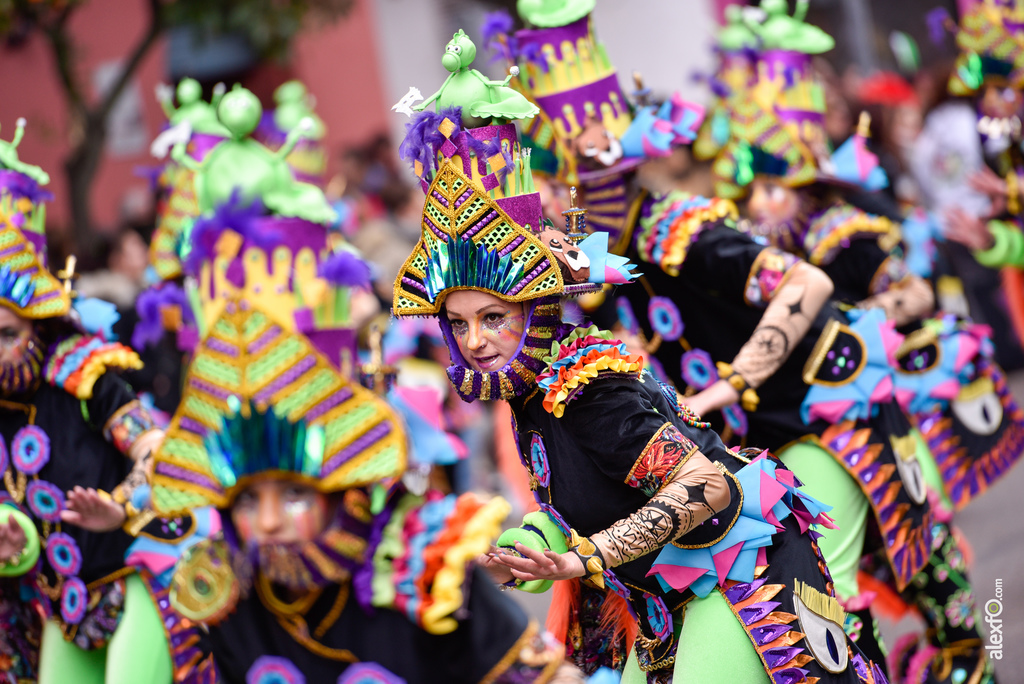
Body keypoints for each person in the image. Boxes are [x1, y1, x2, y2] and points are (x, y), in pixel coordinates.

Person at [391, 38, 888, 683]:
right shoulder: (530, 387)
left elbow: (708, 482)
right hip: (670, 589)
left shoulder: (602, 352)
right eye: (458, 324)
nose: (477, 341)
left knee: (860, 604)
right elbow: (585, 488)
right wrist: (533, 547)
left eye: (492, 318)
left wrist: (732, 384)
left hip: (781, 482)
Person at [149, 84, 587, 684]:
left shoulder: (422, 568)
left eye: (296, 495)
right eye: (249, 500)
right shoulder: (224, 594)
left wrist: (582, 556)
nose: (270, 523)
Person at [0, 122, 210, 684]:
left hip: (138, 579)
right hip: (60, 610)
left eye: (4, 334)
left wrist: (124, 504)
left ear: (36, 322)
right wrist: (11, 537)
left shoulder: (82, 374)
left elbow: (154, 445)